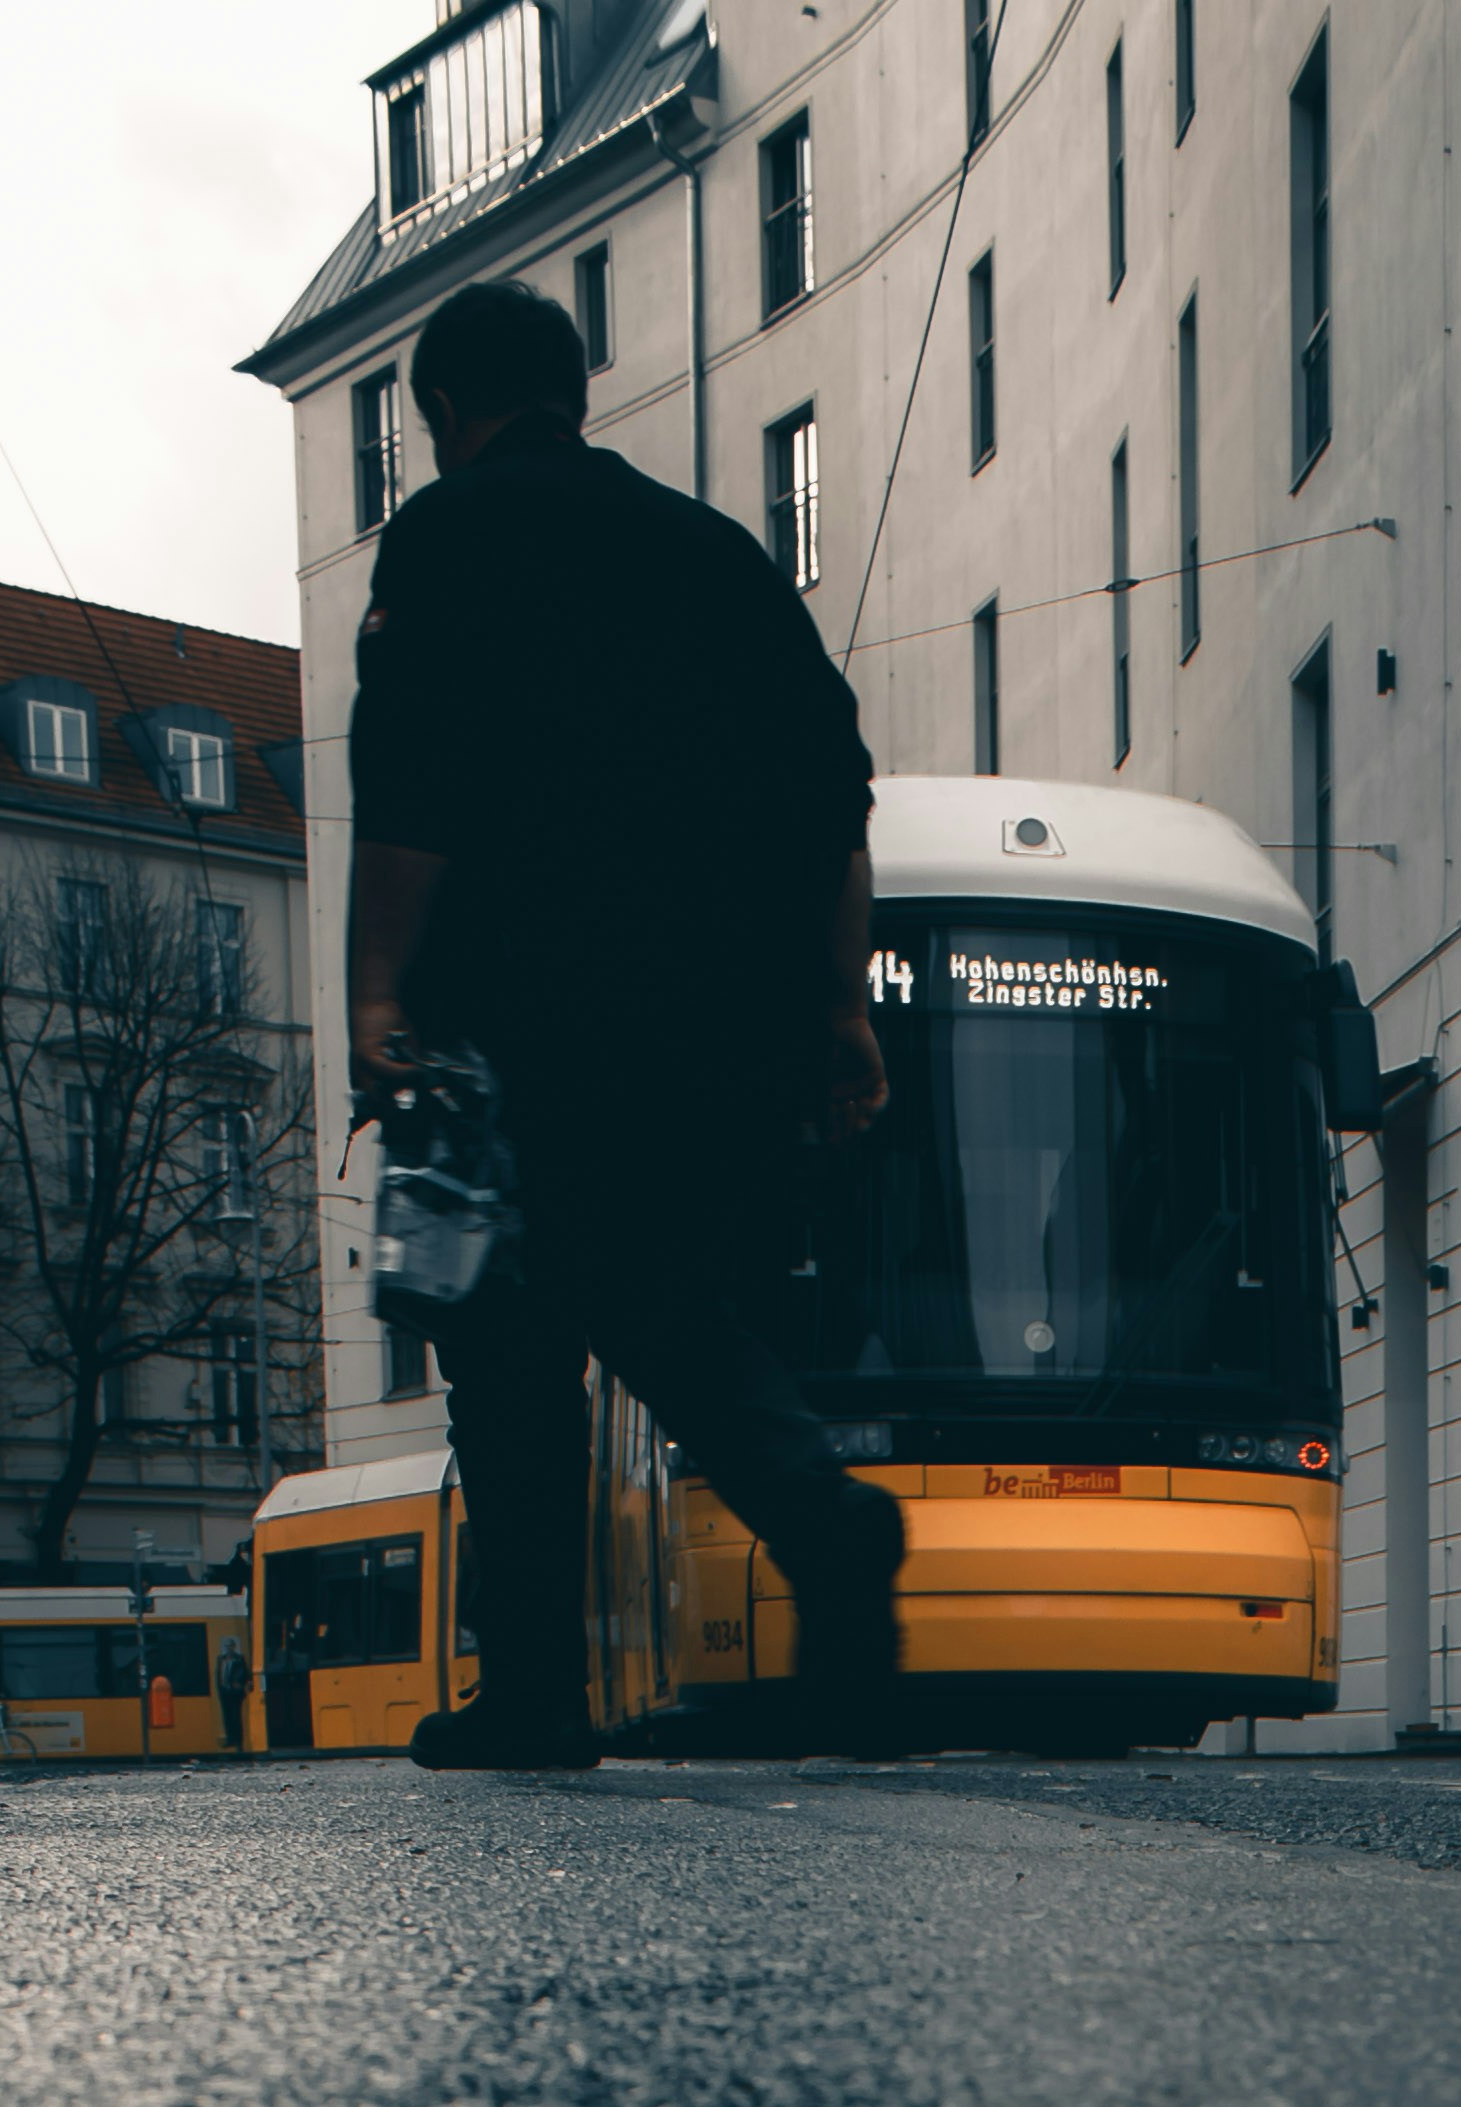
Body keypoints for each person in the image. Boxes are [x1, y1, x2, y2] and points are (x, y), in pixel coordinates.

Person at [344, 278, 904, 1775]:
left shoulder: (448, 537)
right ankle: (826, 1518)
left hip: (519, 1016)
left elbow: (412, 790)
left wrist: (379, 999)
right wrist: (841, 1009)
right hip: (711, 1030)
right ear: (576, 392)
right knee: (664, 1307)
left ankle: (534, 1694)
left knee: (511, 1349)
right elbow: (834, 797)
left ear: (450, 416)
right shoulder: (718, 555)